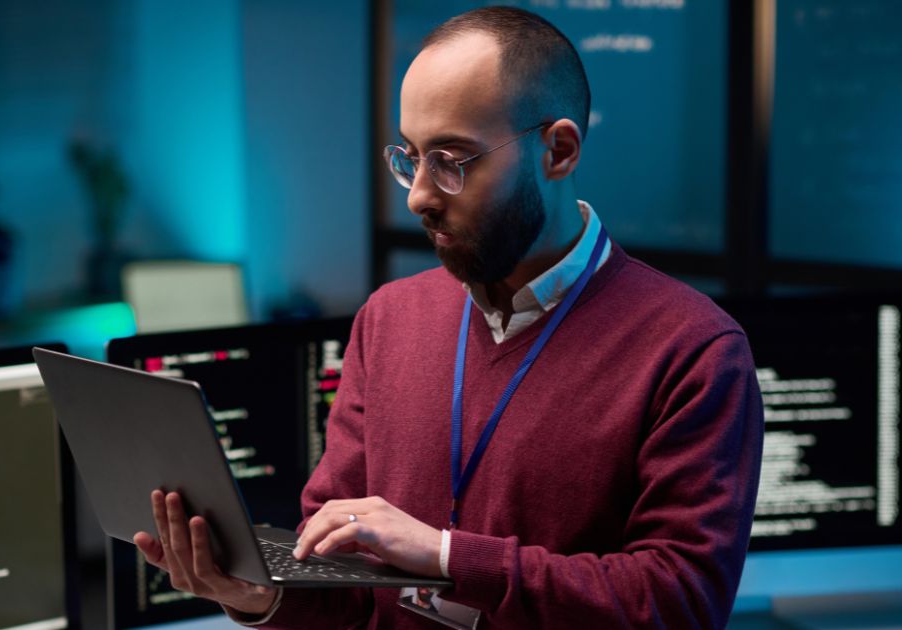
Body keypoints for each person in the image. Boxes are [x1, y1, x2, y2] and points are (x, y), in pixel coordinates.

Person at [133, 6, 763, 628]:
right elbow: (344, 589)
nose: (418, 195)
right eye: (410, 155)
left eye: (453, 161)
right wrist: (255, 593)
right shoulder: (390, 319)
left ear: (559, 150)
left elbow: (679, 603)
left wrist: (445, 556)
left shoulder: (692, 349)